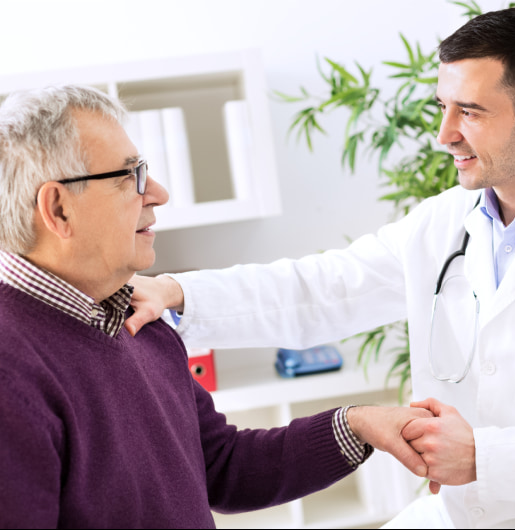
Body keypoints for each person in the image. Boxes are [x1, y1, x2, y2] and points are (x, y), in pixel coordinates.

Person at [125, 7, 515, 529]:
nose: (444, 134)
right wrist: (175, 293)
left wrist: (488, 458)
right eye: (443, 107)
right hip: (457, 514)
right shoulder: (443, 224)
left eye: (470, 112)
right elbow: (321, 289)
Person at [0, 83, 438, 529]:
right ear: (58, 209)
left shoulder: (135, 321)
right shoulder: (11, 374)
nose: (158, 193)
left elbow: (220, 465)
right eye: (129, 175)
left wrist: (358, 425)